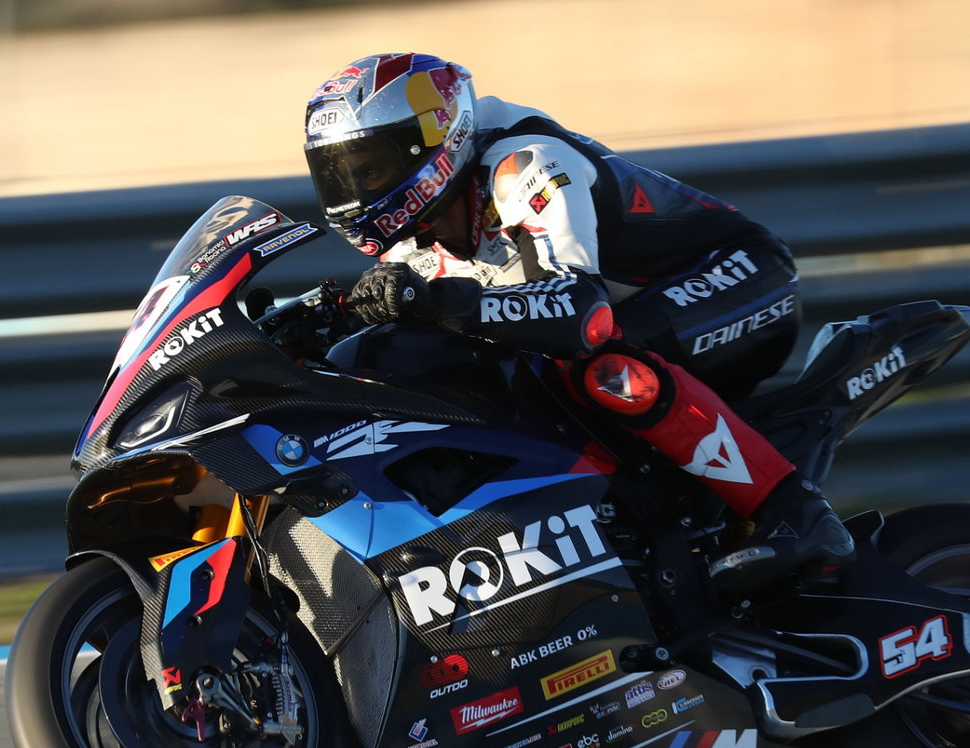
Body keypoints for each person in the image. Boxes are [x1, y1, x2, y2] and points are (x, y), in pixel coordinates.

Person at [303, 52, 853, 597]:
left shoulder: (525, 163)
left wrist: (441, 302)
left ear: (434, 139)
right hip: (637, 309)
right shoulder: (413, 234)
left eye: (369, 169)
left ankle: (797, 512)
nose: (355, 193)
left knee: (598, 364)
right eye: (339, 176)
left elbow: (576, 310)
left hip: (738, 277)